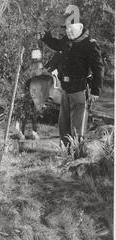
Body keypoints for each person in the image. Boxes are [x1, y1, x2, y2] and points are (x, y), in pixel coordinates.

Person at [39, 9, 104, 145]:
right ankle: (65, 153)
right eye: (67, 28)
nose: (68, 31)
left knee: (76, 128)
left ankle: (75, 157)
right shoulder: (67, 40)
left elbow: (98, 69)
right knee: (63, 125)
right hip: (66, 90)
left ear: (80, 27)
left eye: (71, 28)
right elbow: (56, 45)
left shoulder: (89, 45)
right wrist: (45, 36)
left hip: (79, 91)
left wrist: (95, 91)